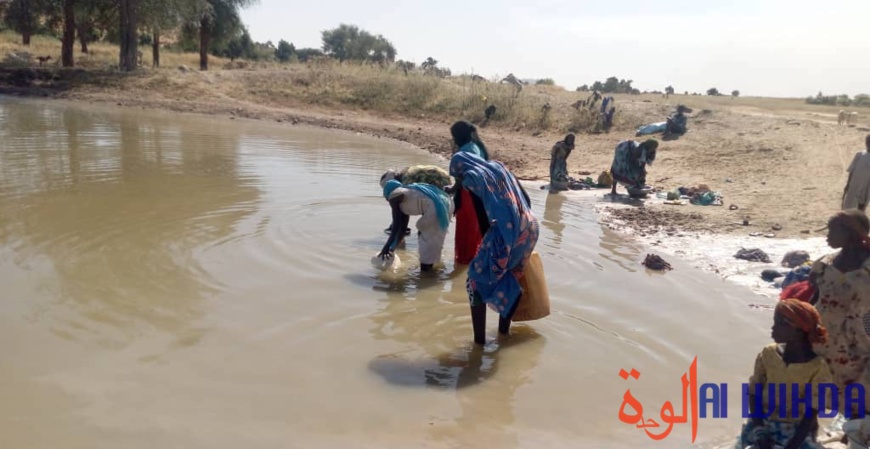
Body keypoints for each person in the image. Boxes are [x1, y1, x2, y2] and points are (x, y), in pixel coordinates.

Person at [449, 151, 539, 345]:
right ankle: (503, 334)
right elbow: (527, 199)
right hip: (530, 227)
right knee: (511, 275)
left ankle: (479, 344)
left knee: (475, 283)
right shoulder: (499, 167)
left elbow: (483, 219)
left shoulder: (472, 178)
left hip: (504, 234)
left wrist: (488, 249)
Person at [735, 299, 831, 449]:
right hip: (762, 421)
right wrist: (760, 431)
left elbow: (811, 413)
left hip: (795, 429)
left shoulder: (817, 367)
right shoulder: (768, 354)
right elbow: (754, 393)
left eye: (779, 324)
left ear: (798, 330)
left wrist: (792, 445)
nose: (773, 328)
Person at [808, 209, 870, 426]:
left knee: (858, 396)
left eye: (832, 230)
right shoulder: (824, 265)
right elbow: (814, 299)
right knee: (816, 392)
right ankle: (805, 437)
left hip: (859, 343)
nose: (827, 236)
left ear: (850, 233)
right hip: (823, 339)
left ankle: (855, 437)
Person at [377, 180, 454, 272]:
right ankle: (434, 271)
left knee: (425, 240)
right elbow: (402, 229)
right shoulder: (410, 191)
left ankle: (426, 275)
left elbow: (396, 226)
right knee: (433, 239)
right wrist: (392, 249)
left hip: (434, 208)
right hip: (447, 203)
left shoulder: (395, 197)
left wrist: (386, 247)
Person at [445, 120, 490, 265]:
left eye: (454, 137)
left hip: (469, 195)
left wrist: (452, 189)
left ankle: (464, 262)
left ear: (458, 137)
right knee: (475, 229)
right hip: (481, 194)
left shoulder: (465, 151)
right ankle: (474, 260)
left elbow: (462, 177)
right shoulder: (477, 146)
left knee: (466, 229)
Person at [379, 165, 452, 235]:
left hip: (441, 184)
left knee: (426, 206)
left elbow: (404, 208)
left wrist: (398, 226)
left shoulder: (405, 182)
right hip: (445, 179)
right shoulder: (405, 172)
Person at [842, 135, 870, 211]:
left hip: (867, 186)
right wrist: (848, 184)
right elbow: (851, 170)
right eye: (867, 142)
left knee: (863, 204)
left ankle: (860, 219)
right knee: (849, 204)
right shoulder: (859, 154)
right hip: (855, 184)